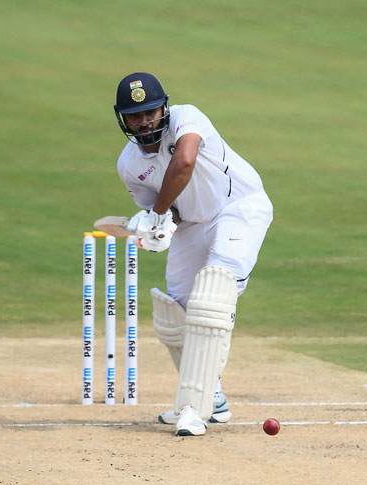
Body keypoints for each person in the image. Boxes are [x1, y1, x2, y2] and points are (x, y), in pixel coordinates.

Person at [113, 72, 273, 436]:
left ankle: (192, 410)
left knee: (213, 293)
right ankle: (210, 397)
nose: (144, 121)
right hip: (194, 224)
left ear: (164, 107)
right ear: (123, 119)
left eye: (150, 112)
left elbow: (184, 162)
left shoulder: (189, 116)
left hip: (239, 208)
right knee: (177, 312)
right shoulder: (129, 165)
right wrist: (157, 227)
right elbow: (171, 211)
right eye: (135, 116)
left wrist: (157, 213)